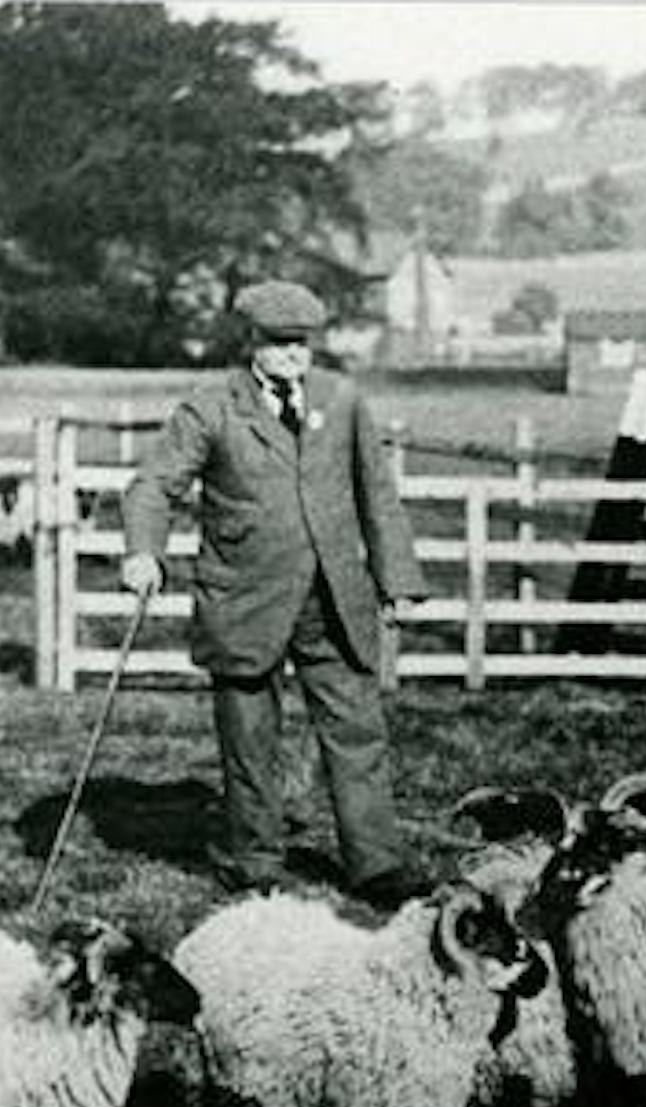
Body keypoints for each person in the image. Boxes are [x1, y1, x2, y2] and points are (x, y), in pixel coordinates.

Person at [121, 280, 431, 907]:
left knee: (357, 729)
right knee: (249, 739)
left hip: (333, 600)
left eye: (302, 344)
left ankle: (375, 865)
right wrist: (143, 551)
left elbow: (378, 495)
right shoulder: (211, 408)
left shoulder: (341, 401)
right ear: (250, 343)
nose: (293, 355)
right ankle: (254, 860)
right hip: (245, 601)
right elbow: (154, 486)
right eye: (279, 343)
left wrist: (397, 581)